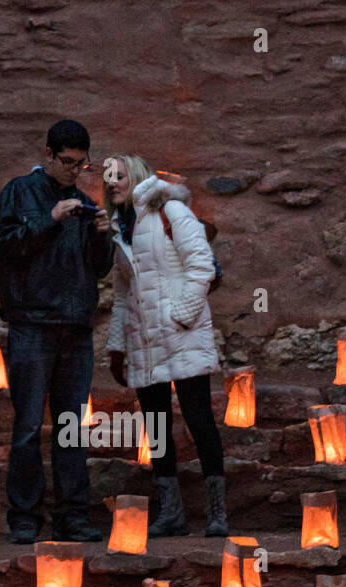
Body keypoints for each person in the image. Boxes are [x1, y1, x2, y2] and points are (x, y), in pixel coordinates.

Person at [0, 120, 114, 544]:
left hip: (76, 326)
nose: (74, 171)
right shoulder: (18, 192)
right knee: (27, 425)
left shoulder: (82, 200)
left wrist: (102, 238)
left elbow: (97, 269)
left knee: (71, 426)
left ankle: (72, 516)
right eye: (67, 162)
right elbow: (6, 248)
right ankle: (25, 517)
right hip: (31, 323)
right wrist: (49, 219)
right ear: (48, 154)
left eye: (82, 164)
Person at [104, 155, 228, 537]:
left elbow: (202, 266)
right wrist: (117, 346)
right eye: (107, 177)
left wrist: (181, 317)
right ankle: (171, 513)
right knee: (156, 427)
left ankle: (217, 513)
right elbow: (123, 294)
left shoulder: (171, 211)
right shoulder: (119, 228)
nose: (111, 182)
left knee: (199, 421)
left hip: (181, 334)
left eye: (119, 175)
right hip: (144, 341)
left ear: (136, 176)